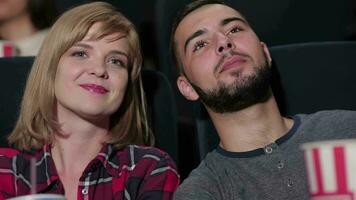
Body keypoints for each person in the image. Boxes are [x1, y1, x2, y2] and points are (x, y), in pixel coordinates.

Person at [170, 0, 356, 199]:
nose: (224, 42)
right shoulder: (203, 191)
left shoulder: (348, 129)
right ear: (187, 87)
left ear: (265, 53)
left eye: (234, 29)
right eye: (200, 44)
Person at [0, 2, 179, 200]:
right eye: (81, 53)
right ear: (49, 71)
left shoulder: (149, 169)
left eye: (116, 61)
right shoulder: (6, 170)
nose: (99, 69)